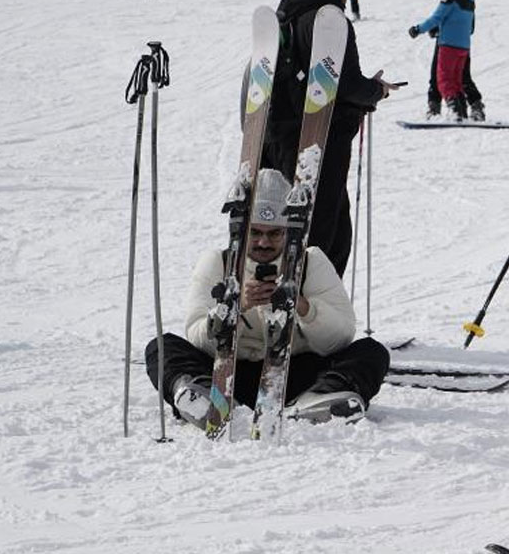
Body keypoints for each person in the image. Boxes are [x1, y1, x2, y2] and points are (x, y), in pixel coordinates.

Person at [146, 168, 390, 426]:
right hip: (229, 376)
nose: (264, 242)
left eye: (275, 233)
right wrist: (236, 308)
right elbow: (196, 337)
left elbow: (340, 337)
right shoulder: (218, 262)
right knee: (161, 347)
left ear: (289, 232)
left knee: (371, 351)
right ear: (243, 229)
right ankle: (207, 401)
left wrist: (302, 306)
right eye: (256, 232)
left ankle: (318, 401)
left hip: (293, 376)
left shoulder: (312, 261)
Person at [263, 0, 398, 276]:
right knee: (328, 234)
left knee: (307, 224)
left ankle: (286, 297)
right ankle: (315, 308)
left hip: (277, 134)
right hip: (318, 139)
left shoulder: (289, 15)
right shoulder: (327, 20)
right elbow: (345, 83)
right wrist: (374, 92)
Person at [408, 0, 481, 122]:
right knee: (457, 78)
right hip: (464, 45)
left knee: (443, 78)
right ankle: (461, 112)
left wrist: (418, 29)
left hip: (448, 43)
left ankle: (454, 110)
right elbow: (470, 25)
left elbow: (438, 16)